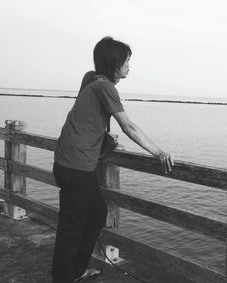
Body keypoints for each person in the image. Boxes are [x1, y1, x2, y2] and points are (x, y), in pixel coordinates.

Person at [52, 36, 174, 282]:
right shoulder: (105, 87)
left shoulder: (91, 79)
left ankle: (75, 269)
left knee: (96, 213)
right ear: (114, 62)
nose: (130, 65)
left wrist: (102, 135)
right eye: (127, 60)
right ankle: (65, 277)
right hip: (76, 167)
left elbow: (87, 118)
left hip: (71, 164)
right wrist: (159, 152)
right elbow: (129, 126)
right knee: (71, 228)